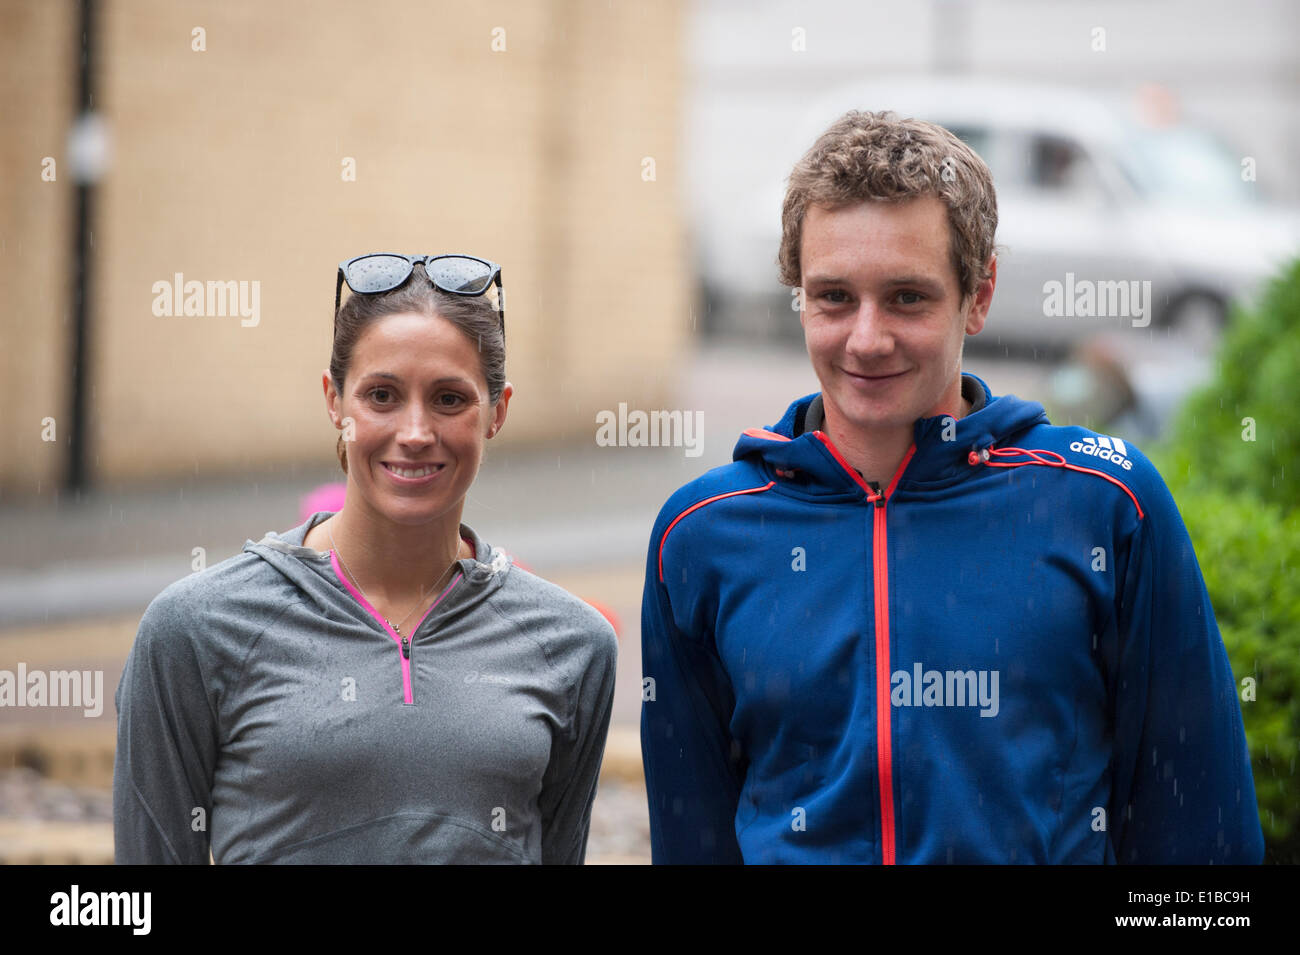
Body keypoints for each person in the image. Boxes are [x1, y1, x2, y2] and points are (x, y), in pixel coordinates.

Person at [640, 112, 1264, 864]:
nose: (867, 339)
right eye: (834, 297)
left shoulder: (1106, 503)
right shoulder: (703, 533)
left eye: (907, 297)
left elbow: (1204, 837)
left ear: (979, 291)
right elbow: (693, 839)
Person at [114, 252, 618, 864]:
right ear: (335, 403)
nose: (414, 431)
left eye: (450, 400)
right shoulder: (195, 627)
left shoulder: (572, 644)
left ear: (498, 412)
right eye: (381, 395)